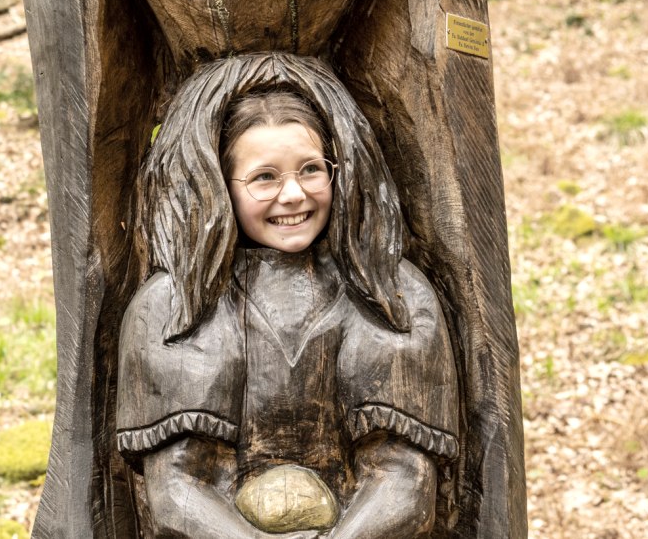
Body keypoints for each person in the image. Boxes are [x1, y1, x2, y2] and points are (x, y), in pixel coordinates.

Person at [114, 52, 459, 539]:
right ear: (219, 187)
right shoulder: (172, 309)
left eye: (311, 170)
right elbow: (177, 488)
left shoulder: (392, 295)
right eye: (264, 177)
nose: (294, 194)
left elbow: (403, 477)